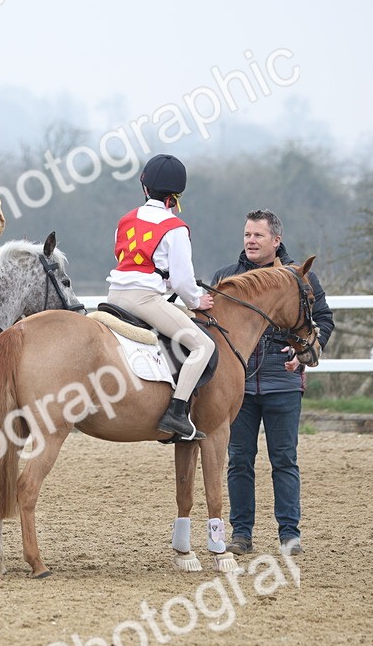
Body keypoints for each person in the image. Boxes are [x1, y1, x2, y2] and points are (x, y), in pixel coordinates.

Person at [213, 209, 335, 556]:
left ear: (276, 241)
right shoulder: (226, 278)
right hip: (236, 386)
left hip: (282, 380)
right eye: (247, 235)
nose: (250, 241)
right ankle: (241, 535)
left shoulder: (299, 277)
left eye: (258, 236)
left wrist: (307, 351)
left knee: (284, 459)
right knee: (239, 459)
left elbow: (323, 320)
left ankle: (289, 535)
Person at [106, 153, 215, 441]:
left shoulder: (125, 219)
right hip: (144, 301)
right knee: (202, 345)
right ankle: (177, 413)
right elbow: (181, 280)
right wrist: (196, 301)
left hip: (113, 297)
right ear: (176, 195)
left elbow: (123, 258)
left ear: (145, 188)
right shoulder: (175, 228)